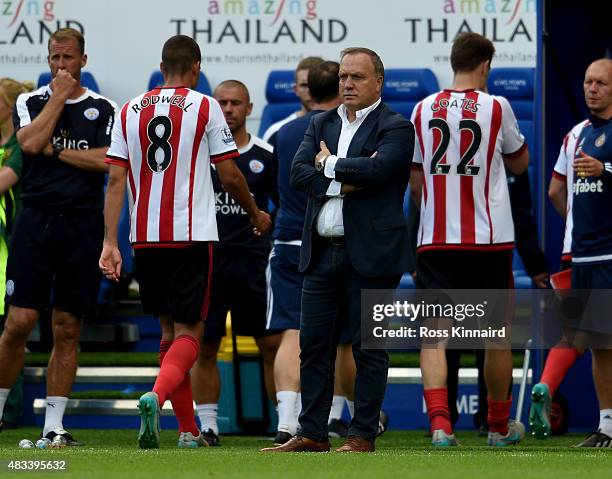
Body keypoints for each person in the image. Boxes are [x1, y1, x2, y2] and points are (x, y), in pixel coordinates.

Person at [99, 35, 271, 449]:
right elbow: (229, 175)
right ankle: (156, 398)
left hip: (145, 238)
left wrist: (110, 242)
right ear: (196, 67)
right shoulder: (204, 105)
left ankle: (187, 430)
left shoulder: (128, 110)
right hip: (191, 235)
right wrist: (255, 213)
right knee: (191, 333)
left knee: (166, 332)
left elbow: (116, 181)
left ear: (162, 67)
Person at [263, 47, 414, 453]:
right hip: (319, 251)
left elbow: (381, 170)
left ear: (378, 82)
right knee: (313, 345)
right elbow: (298, 173)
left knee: (368, 348)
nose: (347, 83)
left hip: (372, 255)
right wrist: (346, 178)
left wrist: (328, 167)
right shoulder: (319, 123)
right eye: (344, 76)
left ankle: (362, 434)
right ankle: (312, 432)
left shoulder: (397, 126)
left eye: (357, 77)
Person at [410, 32, 529, 447]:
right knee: (495, 335)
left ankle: (440, 425)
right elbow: (520, 162)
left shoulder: (422, 109)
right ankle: (497, 427)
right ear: (485, 67)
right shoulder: (497, 106)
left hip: (436, 237)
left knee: (435, 335)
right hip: (488, 239)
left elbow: (415, 182)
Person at [0, 28, 117, 446]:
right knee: (19, 322)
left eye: (68, 58)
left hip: (81, 224)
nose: (61, 65)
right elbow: (29, 143)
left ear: (83, 60)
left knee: (67, 327)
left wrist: (59, 152)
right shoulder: (30, 100)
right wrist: (57, 99)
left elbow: (108, 160)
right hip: (36, 221)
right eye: (55, 58)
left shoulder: (105, 108)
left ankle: (54, 426)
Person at [189, 79, 280, 446]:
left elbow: (281, 208)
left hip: (253, 262)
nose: (228, 109)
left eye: (235, 103)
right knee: (205, 346)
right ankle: (209, 425)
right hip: (209, 260)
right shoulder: (196, 154)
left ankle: (286, 423)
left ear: (249, 108)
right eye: (222, 102)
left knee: (271, 344)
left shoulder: (266, 154)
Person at [265, 61, 344, 445]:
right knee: (344, 336)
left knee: (292, 334)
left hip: (289, 241)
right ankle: (334, 417)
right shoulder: (350, 129)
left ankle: (286, 420)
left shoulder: (281, 131)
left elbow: (268, 185)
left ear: (307, 89)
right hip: (332, 240)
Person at [559, 58, 612, 448]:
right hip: (585, 256)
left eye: (601, 83)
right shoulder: (577, 134)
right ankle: (607, 426)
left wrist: (605, 171)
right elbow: (556, 192)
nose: (591, 89)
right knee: (600, 342)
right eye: (587, 81)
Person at [528, 114, 589, 440]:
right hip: (601, 250)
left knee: (575, 334)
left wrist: (575, 221)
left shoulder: (575, 132)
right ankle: (607, 422)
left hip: (573, 251)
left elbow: (554, 191)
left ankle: (546, 384)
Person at [0, 78, 35, 430]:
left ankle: (9, 411)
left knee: (10, 328)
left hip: (15, 246)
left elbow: (3, 182)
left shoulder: (19, 146)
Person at [261, 57, 324, 144]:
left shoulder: (344, 128)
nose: (310, 91)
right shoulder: (276, 132)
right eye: (304, 85)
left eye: (316, 84)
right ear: (296, 90)